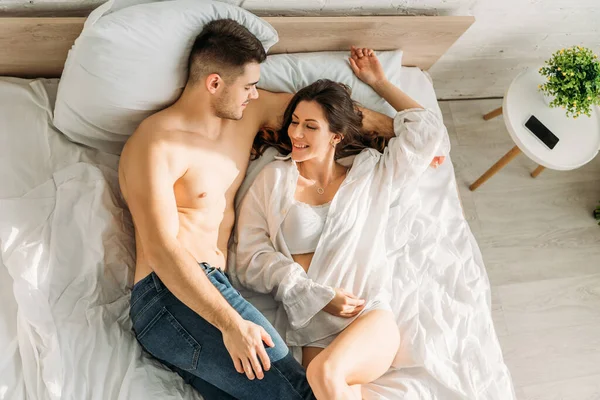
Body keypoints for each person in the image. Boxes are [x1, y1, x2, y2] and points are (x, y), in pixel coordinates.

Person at [118, 19, 397, 400]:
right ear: (214, 83)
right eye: (248, 86)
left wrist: (396, 128)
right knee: (303, 394)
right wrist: (231, 323)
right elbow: (162, 248)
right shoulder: (156, 143)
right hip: (169, 296)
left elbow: (331, 117)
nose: (256, 94)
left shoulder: (247, 111)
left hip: (211, 290)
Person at [234, 47, 448, 399]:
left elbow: (427, 133)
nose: (296, 133)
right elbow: (247, 258)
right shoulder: (273, 178)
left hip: (368, 317)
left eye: (310, 126)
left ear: (336, 136)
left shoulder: (370, 173)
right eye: (294, 121)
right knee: (324, 383)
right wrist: (312, 293)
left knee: (325, 372)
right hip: (310, 328)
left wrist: (378, 82)